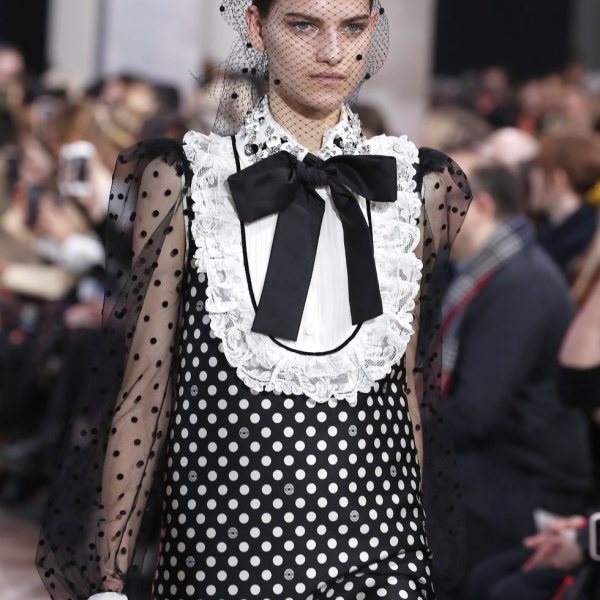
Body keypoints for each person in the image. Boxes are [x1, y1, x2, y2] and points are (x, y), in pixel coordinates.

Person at [36, 1, 472, 599]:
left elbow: (405, 394)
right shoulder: (188, 179)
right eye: (303, 24)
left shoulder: (413, 186)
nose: (331, 52)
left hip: (383, 548)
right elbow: (146, 390)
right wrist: (111, 581)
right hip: (226, 546)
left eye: (350, 26)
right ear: (256, 26)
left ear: (371, 29)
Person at [440, 162, 592, 598]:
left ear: (482, 207)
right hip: (505, 461)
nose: (427, 221)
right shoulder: (495, 271)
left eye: (438, 206)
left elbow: (473, 415)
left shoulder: (521, 284)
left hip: (525, 480)